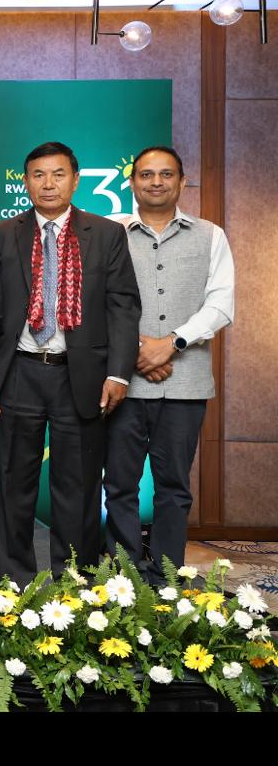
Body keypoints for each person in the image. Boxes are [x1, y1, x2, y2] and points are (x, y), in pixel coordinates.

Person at [0, 141, 140, 586]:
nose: (48, 184)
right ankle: (12, 588)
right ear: (25, 181)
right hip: (18, 371)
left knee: (78, 487)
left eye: (58, 174)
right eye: (38, 175)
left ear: (75, 180)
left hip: (82, 375)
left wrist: (118, 373)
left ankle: (75, 587)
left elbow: (123, 307)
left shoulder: (105, 234)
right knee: (13, 486)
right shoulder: (3, 232)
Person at [105, 145, 234, 582]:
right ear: (132, 182)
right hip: (122, 382)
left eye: (165, 174)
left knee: (174, 487)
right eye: (146, 174)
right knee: (118, 484)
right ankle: (122, 580)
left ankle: (164, 580)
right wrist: (140, 348)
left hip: (185, 383)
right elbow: (94, 300)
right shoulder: (110, 232)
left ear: (182, 181)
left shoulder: (211, 235)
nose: (156, 182)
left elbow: (221, 304)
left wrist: (172, 343)